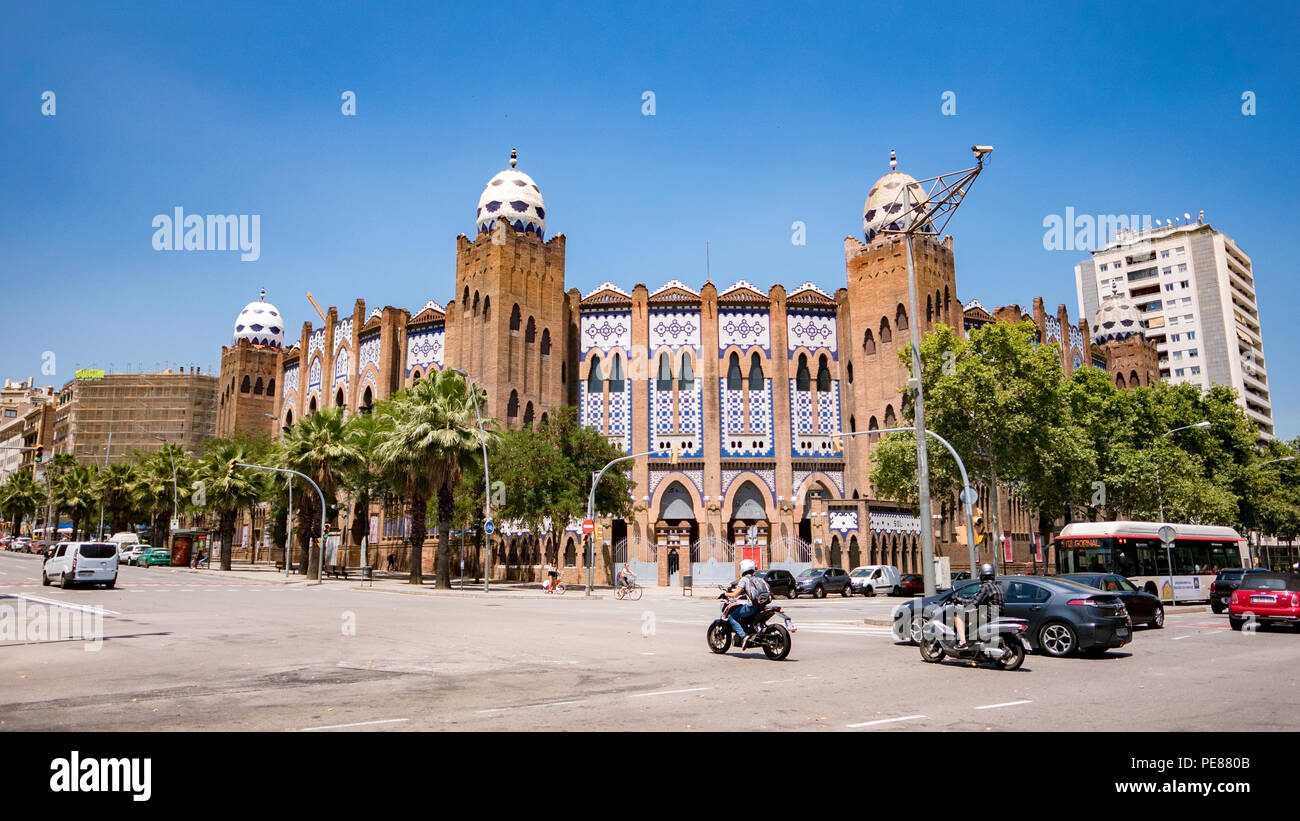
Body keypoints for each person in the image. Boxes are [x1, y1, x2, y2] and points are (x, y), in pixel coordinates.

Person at [954, 563, 1004, 649]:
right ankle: (972, 641)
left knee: (958, 616)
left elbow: (975, 603)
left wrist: (960, 600)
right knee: (972, 617)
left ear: (982, 574)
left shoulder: (986, 586)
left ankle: (963, 642)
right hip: (997, 613)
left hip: (988, 615)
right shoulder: (998, 585)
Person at [723, 559, 769, 649]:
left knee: (731, 617)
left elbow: (735, 594)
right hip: (762, 606)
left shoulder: (744, 579)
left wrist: (725, 594)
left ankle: (744, 636)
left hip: (752, 607)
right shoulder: (758, 578)